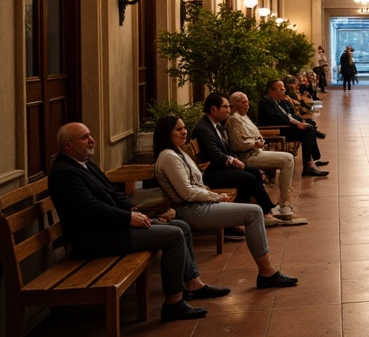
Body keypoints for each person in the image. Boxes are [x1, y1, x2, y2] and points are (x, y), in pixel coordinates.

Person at [48, 123, 230, 321]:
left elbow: (113, 192)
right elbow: (91, 208)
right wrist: (128, 218)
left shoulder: (85, 163)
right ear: (68, 146)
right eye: (84, 137)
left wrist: (131, 209)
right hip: (96, 238)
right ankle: (173, 303)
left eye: (90, 135)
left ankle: (193, 284)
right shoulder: (65, 172)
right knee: (174, 235)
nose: (91, 140)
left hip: (112, 227)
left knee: (182, 227)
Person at [153, 115, 300, 290]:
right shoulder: (168, 156)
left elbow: (193, 185)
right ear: (166, 132)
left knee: (253, 208)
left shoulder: (177, 152)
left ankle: (266, 272)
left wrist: (209, 193)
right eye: (179, 129)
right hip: (191, 210)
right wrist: (216, 196)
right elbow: (187, 193)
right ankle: (266, 273)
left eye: (184, 127)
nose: (184, 131)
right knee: (253, 213)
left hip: (198, 204)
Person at [191, 93, 285, 229]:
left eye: (229, 106)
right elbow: (214, 153)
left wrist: (234, 161)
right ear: (213, 109)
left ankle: (260, 209)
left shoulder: (217, 125)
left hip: (220, 167)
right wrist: (233, 161)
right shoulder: (203, 128)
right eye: (225, 107)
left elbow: (225, 149)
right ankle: (260, 212)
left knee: (254, 172)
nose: (228, 110)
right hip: (211, 172)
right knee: (248, 178)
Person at [226, 90, 304, 222]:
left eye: (247, 101)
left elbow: (256, 133)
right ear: (235, 104)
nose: (247, 104)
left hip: (257, 151)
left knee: (288, 157)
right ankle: (284, 202)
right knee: (287, 160)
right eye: (243, 102)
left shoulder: (244, 117)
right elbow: (237, 144)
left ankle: (284, 201)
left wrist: (259, 140)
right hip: (247, 156)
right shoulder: (234, 120)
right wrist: (255, 143)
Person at [258, 78, 328, 177]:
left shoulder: (278, 102)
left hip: (284, 127)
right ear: (271, 90)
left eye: (284, 88)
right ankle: (309, 165)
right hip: (276, 130)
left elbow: (288, 115)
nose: (284, 91)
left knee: (308, 128)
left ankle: (311, 163)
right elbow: (278, 118)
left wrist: (298, 122)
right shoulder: (266, 102)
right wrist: (296, 124)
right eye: (281, 89)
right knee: (308, 130)